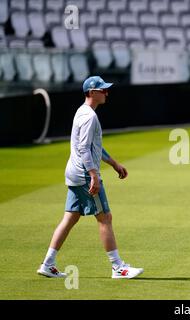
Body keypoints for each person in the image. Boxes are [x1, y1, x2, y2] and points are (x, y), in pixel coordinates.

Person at [37, 76, 144, 279]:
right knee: (105, 218)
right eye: (102, 89)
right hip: (85, 174)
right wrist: (93, 175)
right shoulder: (89, 117)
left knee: (70, 218)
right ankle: (118, 267)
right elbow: (84, 148)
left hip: (74, 173)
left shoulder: (82, 112)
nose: (106, 92)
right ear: (92, 92)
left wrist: (114, 163)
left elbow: (95, 146)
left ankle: (48, 263)